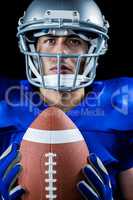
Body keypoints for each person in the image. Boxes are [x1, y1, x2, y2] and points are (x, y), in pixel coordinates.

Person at [0, 0, 133, 199]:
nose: (60, 53)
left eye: (74, 41)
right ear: (33, 47)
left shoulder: (123, 102)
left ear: (92, 48)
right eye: (50, 40)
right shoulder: (4, 103)